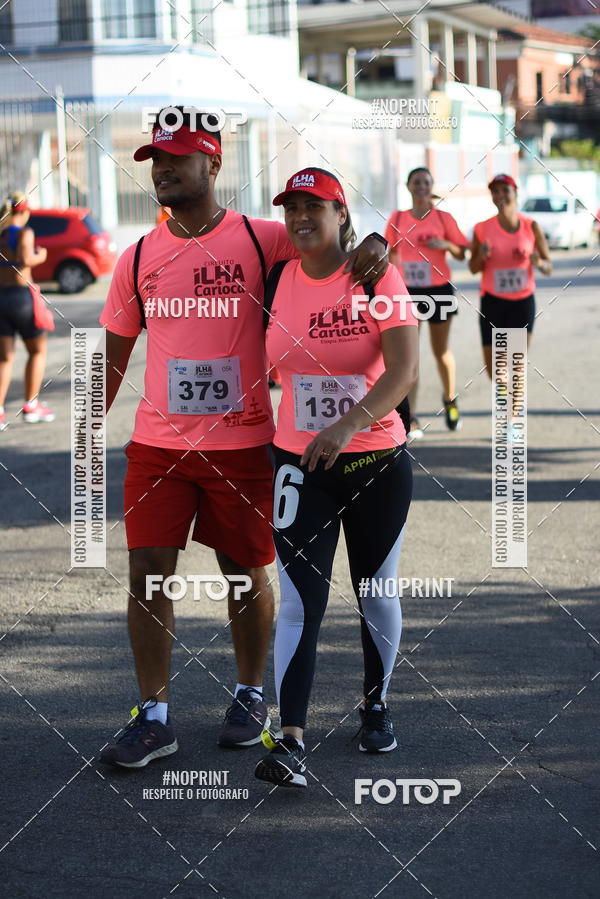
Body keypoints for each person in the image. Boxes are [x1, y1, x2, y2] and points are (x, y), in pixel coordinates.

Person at [98, 108, 390, 769]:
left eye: (178, 158)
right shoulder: (138, 256)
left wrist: (381, 242)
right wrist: (87, 432)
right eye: (156, 161)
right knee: (148, 574)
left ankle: (250, 694)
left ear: (214, 165)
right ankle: (153, 716)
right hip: (159, 447)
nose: (165, 169)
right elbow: (112, 358)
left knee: (244, 571)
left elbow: (332, 240)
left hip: (245, 444)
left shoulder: (264, 240)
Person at [254, 168, 418, 789]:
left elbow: (402, 372)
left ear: (340, 214)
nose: (300, 217)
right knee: (299, 600)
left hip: (376, 462)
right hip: (299, 464)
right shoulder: (277, 276)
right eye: (291, 206)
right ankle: (290, 738)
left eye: (313, 206)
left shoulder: (378, 275)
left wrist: (347, 427)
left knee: (376, 591)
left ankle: (375, 707)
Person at [385, 167, 468, 439]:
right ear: (408, 186)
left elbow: (462, 251)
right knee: (410, 357)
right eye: (416, 182)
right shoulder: (398, 218)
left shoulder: (443, 218)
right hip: (408, 291)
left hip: (439, 291)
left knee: (440, 351)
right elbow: (388, 253)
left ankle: (450, 399)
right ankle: (412, 417)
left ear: (431, 186)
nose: (421, 186)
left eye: (426, 182)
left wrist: (444, 243)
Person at [470, 174, 552, 379]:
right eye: (495, 191)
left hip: (522, 303)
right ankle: (504, 408)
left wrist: (539, 263)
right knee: (495, 370)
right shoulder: (482, 228)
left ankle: (512, 412)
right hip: (492, 302)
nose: (500, 195)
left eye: (505, 190)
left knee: (515, 365)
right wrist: (481, 254)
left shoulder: (531, 226)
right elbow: (472, 267)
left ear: (515, 193)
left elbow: (549, 266)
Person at [0, 192, 55, 430]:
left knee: (4, 358)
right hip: (21, 297)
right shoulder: (25, 232)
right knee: (37, 351)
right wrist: (40, 255)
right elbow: (24, 258)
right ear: (24, 212)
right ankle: (31, 405)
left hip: (1, 297)